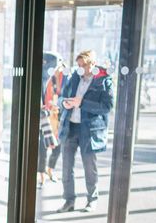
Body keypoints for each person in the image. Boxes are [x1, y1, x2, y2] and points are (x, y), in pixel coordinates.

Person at [56, 49, 114, 213]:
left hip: (89, 130)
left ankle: (92, 200)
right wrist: (64, 103)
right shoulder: (74, 77)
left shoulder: (104, 80)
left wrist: (82, 103)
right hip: (70, 127)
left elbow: (107, 107)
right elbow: (61, 97)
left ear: (93, 64)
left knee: (90, 167)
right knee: (66, 167)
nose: (80, 68)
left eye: (84, 65)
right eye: (79, 65)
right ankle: (69, 201)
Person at [37, 53, 66, 187]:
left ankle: (50, 169)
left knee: (58, 145)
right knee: (43, 146)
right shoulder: (43, 77)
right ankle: (41, 174)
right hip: (45, 115)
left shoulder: (65, 77)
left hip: (58, 115)